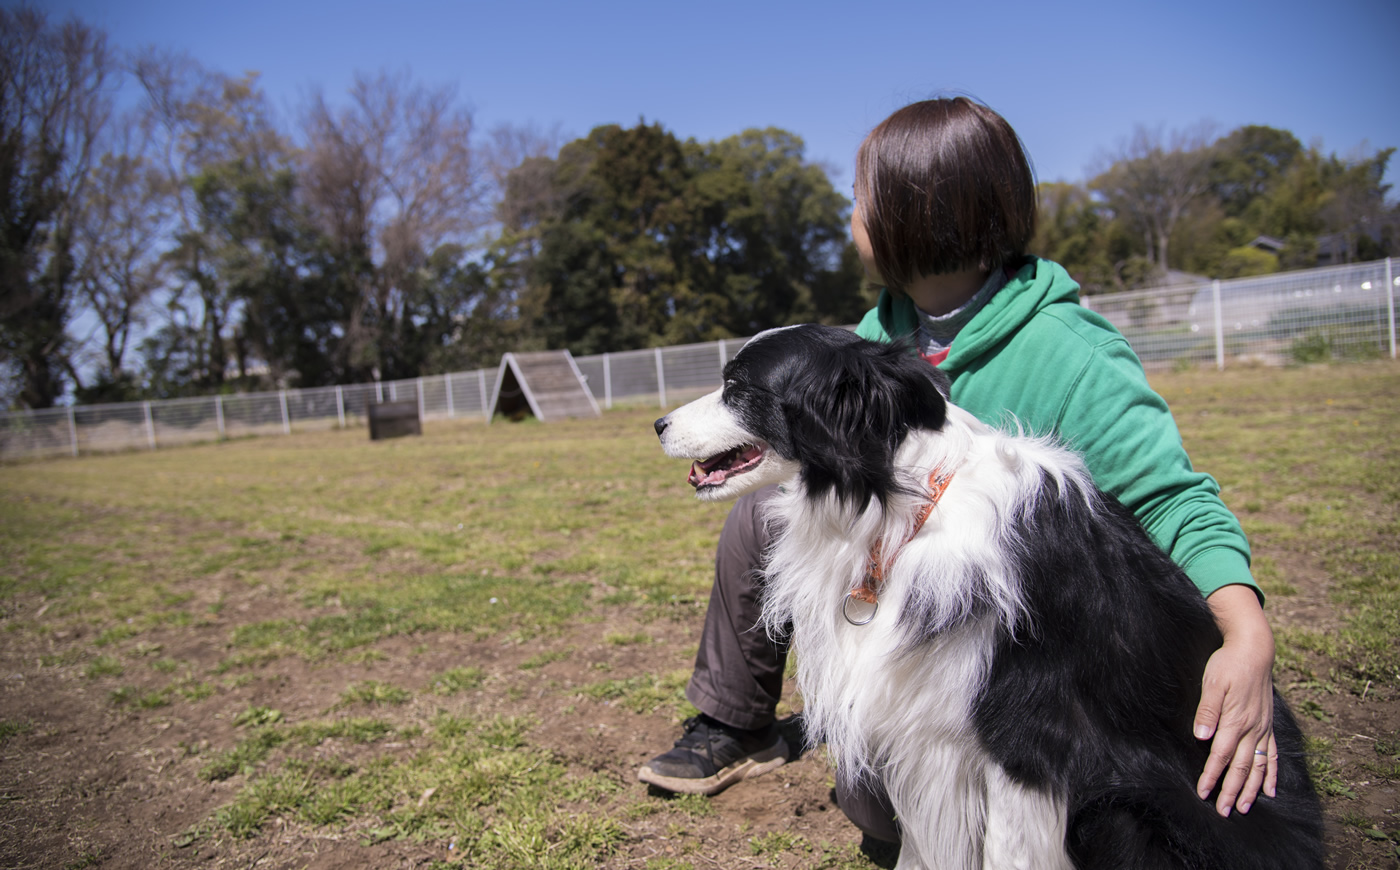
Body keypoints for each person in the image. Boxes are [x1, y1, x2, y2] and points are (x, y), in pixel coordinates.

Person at [637, 97, 1279, 845]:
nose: (850, 213)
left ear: (920, 211)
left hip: (1023, 656)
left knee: (885, 800)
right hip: (916, 611)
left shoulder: (1071, 351)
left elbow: (1172, 503)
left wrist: (1245, 633)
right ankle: (735, 719)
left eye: (860, 197)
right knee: (762, 513)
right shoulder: (879, 333)